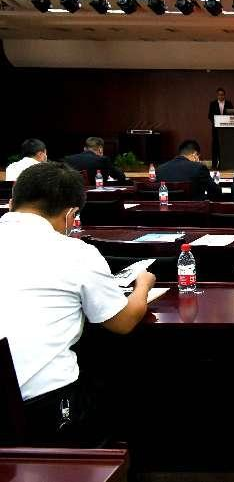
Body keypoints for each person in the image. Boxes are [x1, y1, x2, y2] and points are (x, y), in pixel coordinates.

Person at [0, 162, 154, 446]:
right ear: (71, 215)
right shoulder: (76, 252)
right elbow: (123, 322)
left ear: (11, 203)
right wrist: (143, 283)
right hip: (41, 410)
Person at [207, 87, 234, 170]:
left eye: (222, 95)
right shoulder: (213, 103)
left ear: (224, 95)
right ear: (217, 95)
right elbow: (209, 116)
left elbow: (233, 114)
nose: (221, 96)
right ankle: (214, 165)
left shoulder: (229, 103)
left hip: (226, 130)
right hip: (216, 129)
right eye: (219, 95)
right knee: (215, 147)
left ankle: (224, 164)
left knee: (224, 147)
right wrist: (217, 121)